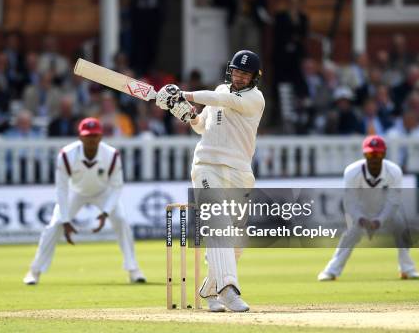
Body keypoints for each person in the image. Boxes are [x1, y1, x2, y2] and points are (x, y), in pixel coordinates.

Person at [155, 50, 265, 312]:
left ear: (254, 77)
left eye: (245, 74)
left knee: (237, 240)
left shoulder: (255, 99)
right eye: (236, 72)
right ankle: (228, 290)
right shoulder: (220, 90)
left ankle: (209, 289)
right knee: (219, 224)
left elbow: (220, 99)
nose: (239, 77)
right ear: (231, 70)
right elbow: (202, 125)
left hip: (239, 171)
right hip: (207, 167)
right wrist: (188, 114)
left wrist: (184, 94)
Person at [23, 118, 146, 285]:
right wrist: (65, 220)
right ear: (80, 137)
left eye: (95, 136)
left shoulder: (111, 154)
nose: (91, 140)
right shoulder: (66, 155)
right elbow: (61, 188)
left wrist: (105, 213)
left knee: (121, 220)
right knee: (54, 225)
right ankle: (34, 271)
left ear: (101, 137)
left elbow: (117, 187)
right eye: (87, 136)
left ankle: (133, 269)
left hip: (103, 192)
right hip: (75, 193)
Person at [317, 135, 419, 281]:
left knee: (401, 226)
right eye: (370, 154)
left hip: (385, 211)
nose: (374, 158)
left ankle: (407, 269)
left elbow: (393, 202)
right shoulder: (352, 171)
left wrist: (379, 220)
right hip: (360, 211)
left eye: (377, 154)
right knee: (350, 235)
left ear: (384, 154)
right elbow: (350, 202)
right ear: (364, 154)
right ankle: (331, 271)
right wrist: (360, 218)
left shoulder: (394, 171)